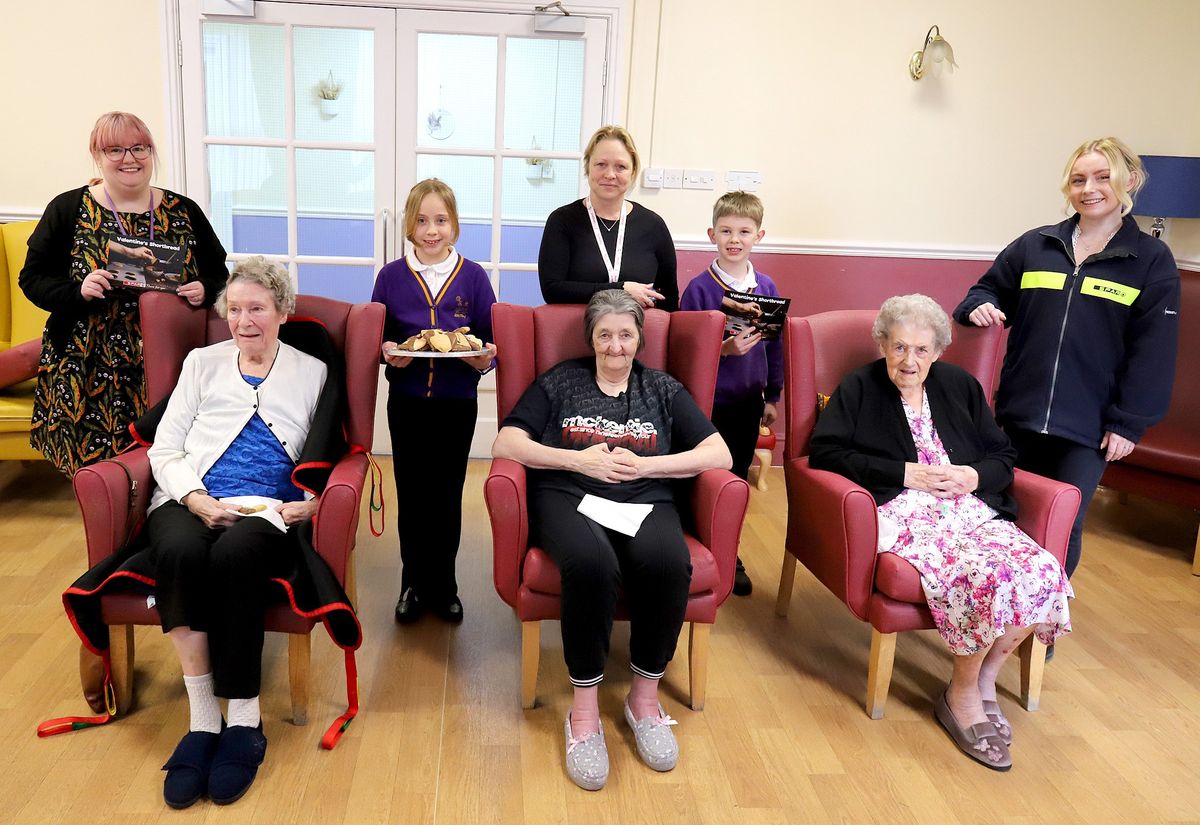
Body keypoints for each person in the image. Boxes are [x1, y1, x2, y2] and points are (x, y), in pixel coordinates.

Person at [61, 257, 360, 807]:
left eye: (258, 309)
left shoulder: (311, 371)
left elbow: (328, 449)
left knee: (236, 557)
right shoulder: (202, 363)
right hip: (188, 491)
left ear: (283, 313)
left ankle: (244, 716)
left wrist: (309, 504)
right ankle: (203, 717)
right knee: (175, 550)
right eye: (235, 309)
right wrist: (196, 499)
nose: (245, 321)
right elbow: (166, 446)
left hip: (264, 506)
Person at [809, 294, 1072, 771]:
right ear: (883, 344)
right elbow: (825, 453)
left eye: (922, 350)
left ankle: (983, 678)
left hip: (968, 509)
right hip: (904, 511)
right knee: (982, 575)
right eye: (899, 347)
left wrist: (972, 475)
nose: (910, 361)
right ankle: (961, 696)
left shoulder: (960, 386)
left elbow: (1002, 456)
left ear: (939, 352)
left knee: (1042, 568)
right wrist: (903, 472)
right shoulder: (860, 388)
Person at [492, 289, 731, 791]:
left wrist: (647, 465)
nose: (615, 346)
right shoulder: (561, 381)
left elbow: (719, 453)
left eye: (625, 335)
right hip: (567, 494)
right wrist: (579, 460)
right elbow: (507, 441)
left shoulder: (662, 389)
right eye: (605, 335)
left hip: (646, 496)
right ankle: (583, 714)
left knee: (668, 562)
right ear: (591, 339)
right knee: (590, 563)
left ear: (640, 339)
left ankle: (643, 699)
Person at [955, 137, 1179, 582]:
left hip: (1088, 429)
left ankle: (1040, 633)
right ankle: (993, 612)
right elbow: (985, 290)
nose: (1088, 188)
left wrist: (1128, 422)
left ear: (1128, 180)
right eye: (1078, 179)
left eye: (1101, 177)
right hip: (1019, 414)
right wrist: (977, 305)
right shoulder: (1036, 245)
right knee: (1001, 513)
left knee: (1061, 526)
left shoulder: (1151, 261)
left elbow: (1154, 352)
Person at [19, 111, 228, 476]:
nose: (129, 159)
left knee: (168, 460)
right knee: (95, 472)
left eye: (139, 148)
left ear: (151, 152)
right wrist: (77, 290)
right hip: (86, 364)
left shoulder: (184, 210)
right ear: (97, 155)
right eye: (115, 150)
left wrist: (205, 289)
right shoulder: (68, 209)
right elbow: (33, 279)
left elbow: (220, 275)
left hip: (169, 360)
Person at [373, 179, 498, 625]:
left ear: (454, 225)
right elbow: (380, 339)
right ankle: (412, 581)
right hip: (407, 404)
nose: (432, 230)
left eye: (441, 220)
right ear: (409, 224)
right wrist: (390, 355)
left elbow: (489, 341)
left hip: (456, 404)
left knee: (447, 495)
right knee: (412, 493)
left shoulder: (473, 277)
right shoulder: (390, 276)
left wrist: (482, 358)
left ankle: (445, 583)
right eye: (423, 220)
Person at [680, 191, 783, 596]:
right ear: (712, 234)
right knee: (702, 475)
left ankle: (729, 552)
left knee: (736, 479)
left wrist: (773, 395)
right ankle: (692, 546)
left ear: (759, 235)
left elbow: (775, 345)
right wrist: (722, 349)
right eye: (726, 230)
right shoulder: (699, 289)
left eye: (743, 231)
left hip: (747, 403)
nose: (734, 238)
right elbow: (686, 349)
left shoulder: (768, 286)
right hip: (706, 403)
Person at [538, 126, 678, 311]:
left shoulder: (653, 225)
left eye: (620, 167)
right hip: (576, 332)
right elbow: (552, 290)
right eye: (601, 164)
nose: (610, 174)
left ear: (633, 171)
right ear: (588, 167)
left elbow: (669, 299)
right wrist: (621, 289)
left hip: (637, 335)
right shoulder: (562, 221)